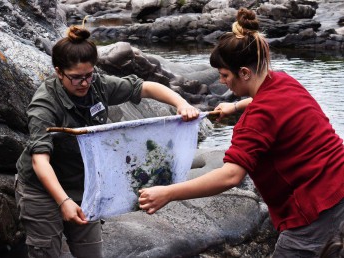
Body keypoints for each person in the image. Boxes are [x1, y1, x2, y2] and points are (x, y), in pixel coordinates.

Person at [138, 7, 344, 257]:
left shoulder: (255, 120)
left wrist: (168, 193)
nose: (222, 82)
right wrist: (234, 106)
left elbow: (230, 177)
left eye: (224, 75)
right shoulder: (284, 81)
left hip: (312, 209)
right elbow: (269, 104)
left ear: (244, 73)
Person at [14, 25, 200, 258]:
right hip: (41, 189)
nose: (84, 83)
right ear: (59, 72)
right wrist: (63, 202)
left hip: (85, 186)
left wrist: (181, 103)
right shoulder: (44, 106)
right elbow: (40, 162)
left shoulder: (98, 86)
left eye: (88, 75)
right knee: (45, 253)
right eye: (76, 78)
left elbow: (145, 87)